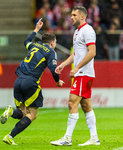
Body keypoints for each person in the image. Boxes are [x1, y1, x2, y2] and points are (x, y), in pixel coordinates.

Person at [0, 18, 64, 145]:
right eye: (55, 42)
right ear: (52, 43)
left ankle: (11, 112)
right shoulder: (51, 52)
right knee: (32, 115)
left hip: (18, 81)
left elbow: (26, 41)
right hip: (31, 83)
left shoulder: (34, 45)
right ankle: (10, 136)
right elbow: (54, 69)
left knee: (23, 113)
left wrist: (36, 30)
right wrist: (57, 82)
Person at [50, 6, 100, 146]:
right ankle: (94, 138)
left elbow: (92, 52)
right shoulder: (77, 32)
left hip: (84, 73)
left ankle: (67, 138)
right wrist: (64, 64)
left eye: (74, 15)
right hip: (82, 73)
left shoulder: (88, 30)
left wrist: (77, 68)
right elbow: (76, 54)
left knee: (72, 102)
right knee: (85, 105)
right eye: (71, 15)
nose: (71, 17)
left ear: (82, 17)